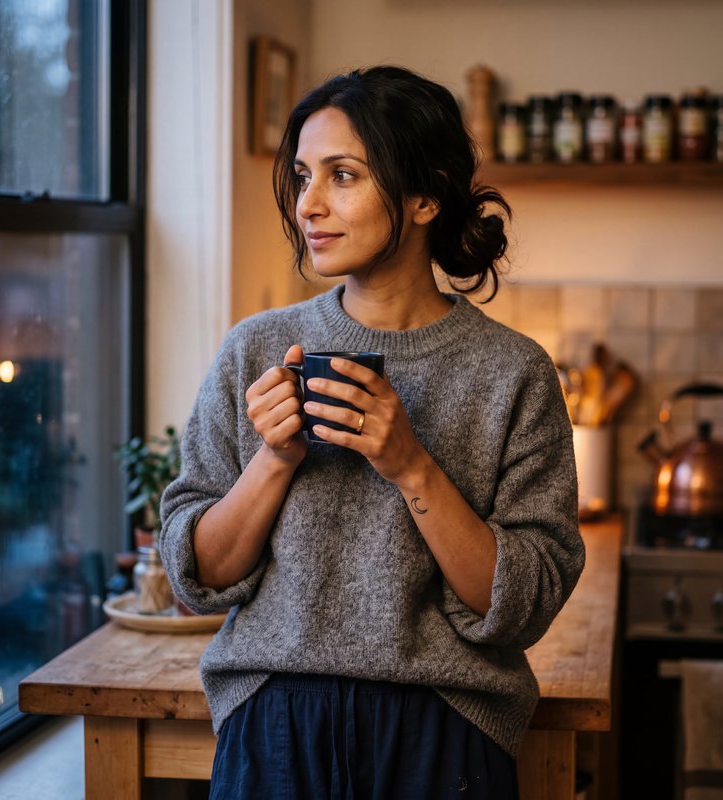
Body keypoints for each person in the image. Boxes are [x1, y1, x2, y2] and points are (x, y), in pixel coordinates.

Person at [160, 65, 584, 800]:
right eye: (303, 177)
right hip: (272, 722)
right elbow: (197, 577)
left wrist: (412, 465)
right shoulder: (255, 349)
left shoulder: (513, 372)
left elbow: (523, 605)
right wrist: (274, 460)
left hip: (446, 729)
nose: (308, 204)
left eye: (343, 175)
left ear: (426, 197)